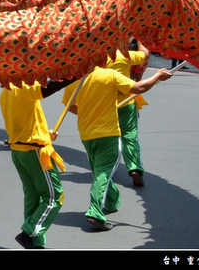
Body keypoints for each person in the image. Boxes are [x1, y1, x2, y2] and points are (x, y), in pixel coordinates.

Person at [63, 63, 172, 231]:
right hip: (108, 134)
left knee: (100, 170)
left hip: (86, 134)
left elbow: (69, 105)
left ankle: (112, 200)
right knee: (103, 173)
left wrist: (89, 111)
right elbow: (139, 87)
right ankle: (94, 210)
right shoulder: (109, 75)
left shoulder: (75, 80)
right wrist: (158, 76)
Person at [0, 77, 72, 249]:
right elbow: (50, 86)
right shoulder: (23, 86)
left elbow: (24, 122)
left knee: (33, 197)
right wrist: (76, 74)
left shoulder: (5, 92)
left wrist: (45, 134)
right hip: (34, 153)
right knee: (54, 196)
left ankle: (36, 243)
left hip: (19, 151)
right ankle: (30, 233)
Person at [107, 38, 150, 187]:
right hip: (126, 102)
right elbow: (145, 54)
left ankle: (107, 168)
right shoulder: (124, 56)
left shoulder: (98, 58)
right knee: (130, 136)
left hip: (104, 105)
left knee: (109, 137)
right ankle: (134, 167)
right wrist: (140, 38)